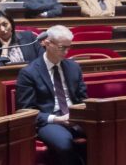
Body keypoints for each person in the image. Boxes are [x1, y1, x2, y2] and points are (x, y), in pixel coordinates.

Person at [15, 25, 88, 165]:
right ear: (47, 43)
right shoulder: (29, 73)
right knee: (65, 145)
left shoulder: (74, 67)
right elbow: (25, 110)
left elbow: (82, 98)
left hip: (76, 117)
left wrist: (84, 112)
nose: (66, 52)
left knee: (106, 133)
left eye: (69, 47)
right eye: (62, 47)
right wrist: (58, 119)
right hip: (48, 121)